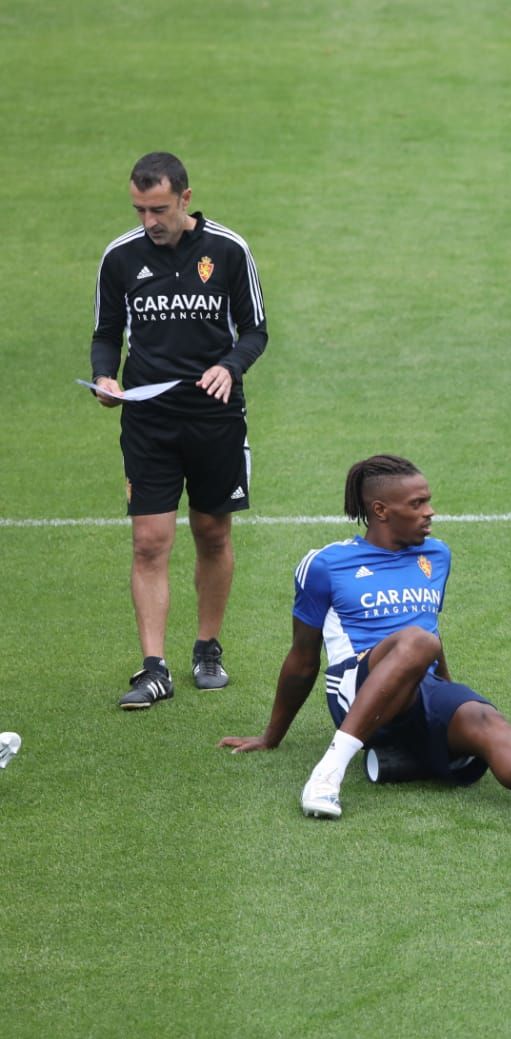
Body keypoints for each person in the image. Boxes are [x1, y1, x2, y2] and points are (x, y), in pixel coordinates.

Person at [218, 455, 511, 826]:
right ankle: (327, 773)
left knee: (482, 717)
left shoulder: (436, 556)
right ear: (381, 510)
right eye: (418, 503)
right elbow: (303, 659)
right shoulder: (325, 564)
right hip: (353, 686)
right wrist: (271, 735)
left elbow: (431, 633)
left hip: (419, 680)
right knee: (416, 642)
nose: (430, 512)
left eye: (428, 501)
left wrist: (453, 698)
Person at [89, 152, 269, 709]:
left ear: (185, 200)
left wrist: (229, 366)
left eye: (159, 209)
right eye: (140, 209)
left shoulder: (229, 250)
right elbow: (106, 333)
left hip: (215, 415)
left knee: (213, 533)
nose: (149, 221)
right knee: (149, 542)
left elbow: (256, 331)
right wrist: (104, 376)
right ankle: (153, 668)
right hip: (147, 418)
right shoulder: (120, 258)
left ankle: (207, 647)